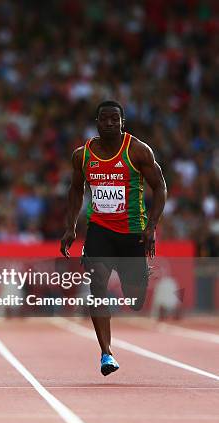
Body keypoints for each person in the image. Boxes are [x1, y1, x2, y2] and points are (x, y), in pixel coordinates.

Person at [60, 100, 167, 375]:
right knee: (97, 284)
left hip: (132, 232)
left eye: (114, 119)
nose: (109, 123)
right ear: (97, 123)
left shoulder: (137, 150)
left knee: (134, 299)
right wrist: (71, 227)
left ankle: (139, 280)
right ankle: (106, 353)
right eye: (104, 119)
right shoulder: (82, 155)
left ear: (122, 122)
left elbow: (160, 187)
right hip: (100, 230)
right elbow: (75, 190)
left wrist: (151, 226)